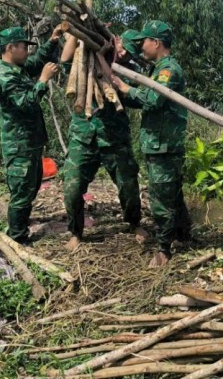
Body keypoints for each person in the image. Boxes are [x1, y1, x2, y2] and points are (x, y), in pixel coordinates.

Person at [110, 20, 190, 268]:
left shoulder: (168, 71)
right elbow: (145, 101)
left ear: (156, 43)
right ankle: (184, 237)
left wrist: (125, 87)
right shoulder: (158, 69)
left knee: (161, 200)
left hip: (163, 146)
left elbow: (154, 99)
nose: (142, 46)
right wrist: (125, 92)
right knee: (173, 195)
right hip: (160, 145)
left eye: (144, 41)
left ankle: (164, 251)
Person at [60, 30, 144, 253]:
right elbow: (64, 61)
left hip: (115, 138)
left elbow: (133, 98)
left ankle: (135, 223)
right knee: (73, 187)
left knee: (128, 184)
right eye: (121, 46)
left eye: (127, 50)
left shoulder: (128, 70)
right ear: (112, 42)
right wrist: (74, 33)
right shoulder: (83, 62)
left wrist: (112, 73)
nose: (124, 51)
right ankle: (76, 232)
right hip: (83, 136)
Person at [0, 25, 63, 244]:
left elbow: (36, 61)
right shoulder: (6, 77)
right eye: (24, 47)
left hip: (30, 142)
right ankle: (17, 238)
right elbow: (26, 103)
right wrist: (43, 80)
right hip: (19, 144)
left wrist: (52, 40)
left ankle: (21, 224)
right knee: (22, 192)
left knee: (30, 188)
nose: (27, 51)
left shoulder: (18, 68)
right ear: (11, 48)